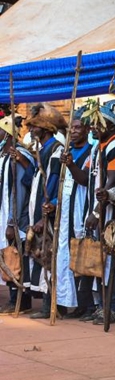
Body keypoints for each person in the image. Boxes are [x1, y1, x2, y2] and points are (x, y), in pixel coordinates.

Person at [83, 101, 115, 325]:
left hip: (108, 213)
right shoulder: (97, 146)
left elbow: (112, 182)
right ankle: (101, 305)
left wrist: (97, 213)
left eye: (96, 125)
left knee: (109, 261)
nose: (92, 129)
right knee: (98, 260)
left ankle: (111, 307)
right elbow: (88, 179)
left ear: (109, 126)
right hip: (98, 209)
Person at [26, 103, 67, 319]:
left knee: (49, 256)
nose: (31, 131)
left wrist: (45, 213)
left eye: (35, 127)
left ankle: (51, 305)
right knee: (42, 255)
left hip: (48, 211)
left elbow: (53, 182)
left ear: (45, 129)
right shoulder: (42, 149)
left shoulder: (56, 149)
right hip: (40, 209)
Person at [58, 107, 94, 319]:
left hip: (80, 208)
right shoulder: (66, 149)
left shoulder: (90, 152)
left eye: (78, 127)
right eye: (71, 127)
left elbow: (84, 180)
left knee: (82, 253)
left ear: (87, 129)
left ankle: (86, 304)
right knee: (67, 255)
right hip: (66, 209)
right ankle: (71, 300)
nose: (74, 131)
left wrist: (71, 164)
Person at [0, 116, 35, 313]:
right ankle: (14, 297)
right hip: (3, 213)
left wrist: (13, 221)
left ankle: (20, 299)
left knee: (16, 255)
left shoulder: (19, 157)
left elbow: (19, 192)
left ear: (7, 134)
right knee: (7, 255)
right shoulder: (3, 156)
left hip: (15, 216)